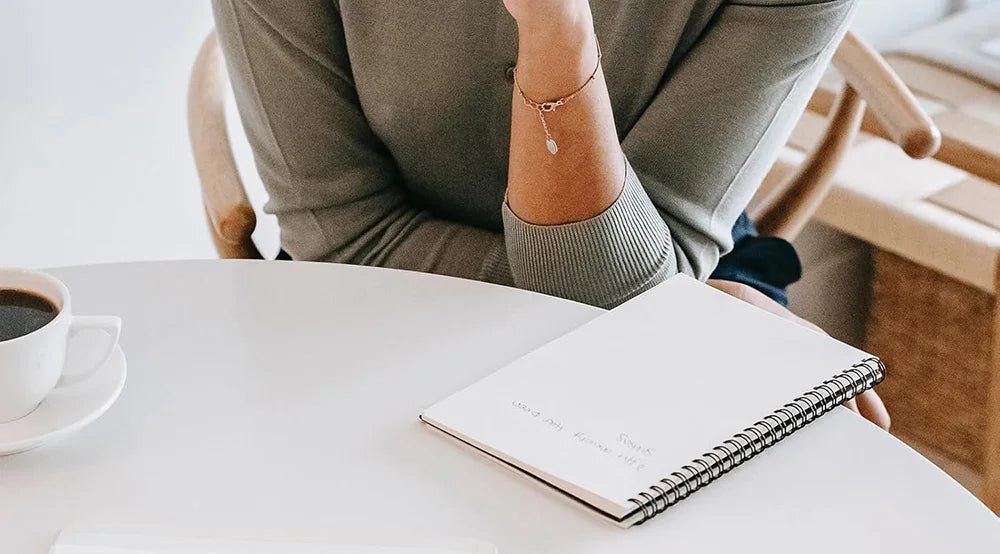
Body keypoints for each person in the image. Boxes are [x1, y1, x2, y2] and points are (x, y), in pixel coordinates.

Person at [212, 0, 888, 427]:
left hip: (671, 260)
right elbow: (347, 237)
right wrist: (677, 301)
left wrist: (556, 29)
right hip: (377, 287)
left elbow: (633, 284)